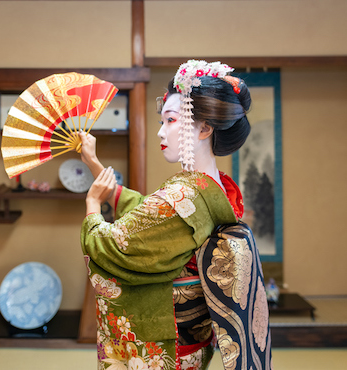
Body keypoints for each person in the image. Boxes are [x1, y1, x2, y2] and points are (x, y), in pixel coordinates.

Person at [79, 60, 272, 370]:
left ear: (205, 128)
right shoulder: (213, 187)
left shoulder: (182, 197)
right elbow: (149, 216)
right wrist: (94, 164)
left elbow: (116, 244)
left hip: (161, 342)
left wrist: (92, 205)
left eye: (170, 120)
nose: (160, 131)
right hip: (190, 341)